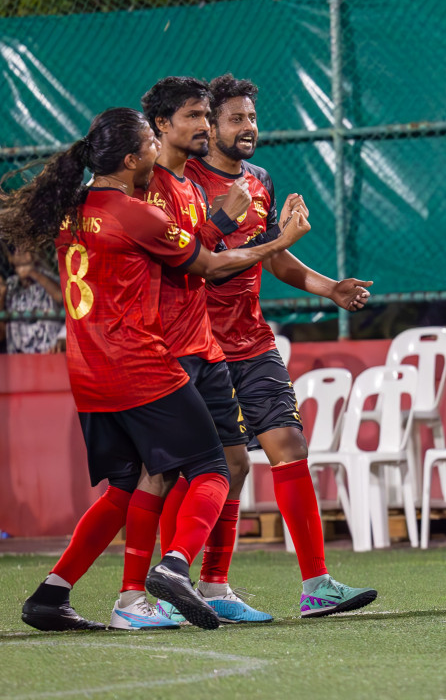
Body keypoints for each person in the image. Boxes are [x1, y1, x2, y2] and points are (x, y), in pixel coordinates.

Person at [8, 108, 310, 632]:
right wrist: (280, 242)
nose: (155, 150)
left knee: (127, 486)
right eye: (149, 142)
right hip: (141, 367)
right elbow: (209, 265)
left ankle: (52, 594)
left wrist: (213, 225)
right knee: (216, 468)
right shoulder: (136, 212)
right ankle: (173, 569)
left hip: (88, 371)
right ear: (131, 159)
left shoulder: (73, 208)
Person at [185, 74, 377, 618]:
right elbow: (199, 266)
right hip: (202, 346)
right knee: (224, 469)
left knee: (289, 447)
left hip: (254, 342)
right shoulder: (186, 181)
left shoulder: (261, 180)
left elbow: (273, 257)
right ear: (209, 127)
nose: (248, 128)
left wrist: (330, 286)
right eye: (235, 119)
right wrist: (268, 237)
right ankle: (203, 586)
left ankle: (316, 585)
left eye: (251, 118)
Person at [136, 77, 276, 623]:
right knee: (158, 476)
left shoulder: (195, 186)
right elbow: (198, 262)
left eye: (203, 115)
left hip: (208, 348)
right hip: (166, 349)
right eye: (195, 116)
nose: (202, 125)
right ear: (163, 127)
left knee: (231, 465)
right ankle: (137, 592)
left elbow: (203, 254)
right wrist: (266, 235)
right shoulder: (153, 186)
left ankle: (208, 583)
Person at [2, 247, 66, 353]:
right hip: (18, 355)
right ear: (10, 258)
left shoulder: (48, 278)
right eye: (15, 250)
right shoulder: (10, 286)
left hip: (48, 352)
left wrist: (32, 272)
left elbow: (61, 297)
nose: (21, 252)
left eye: (25, 247)